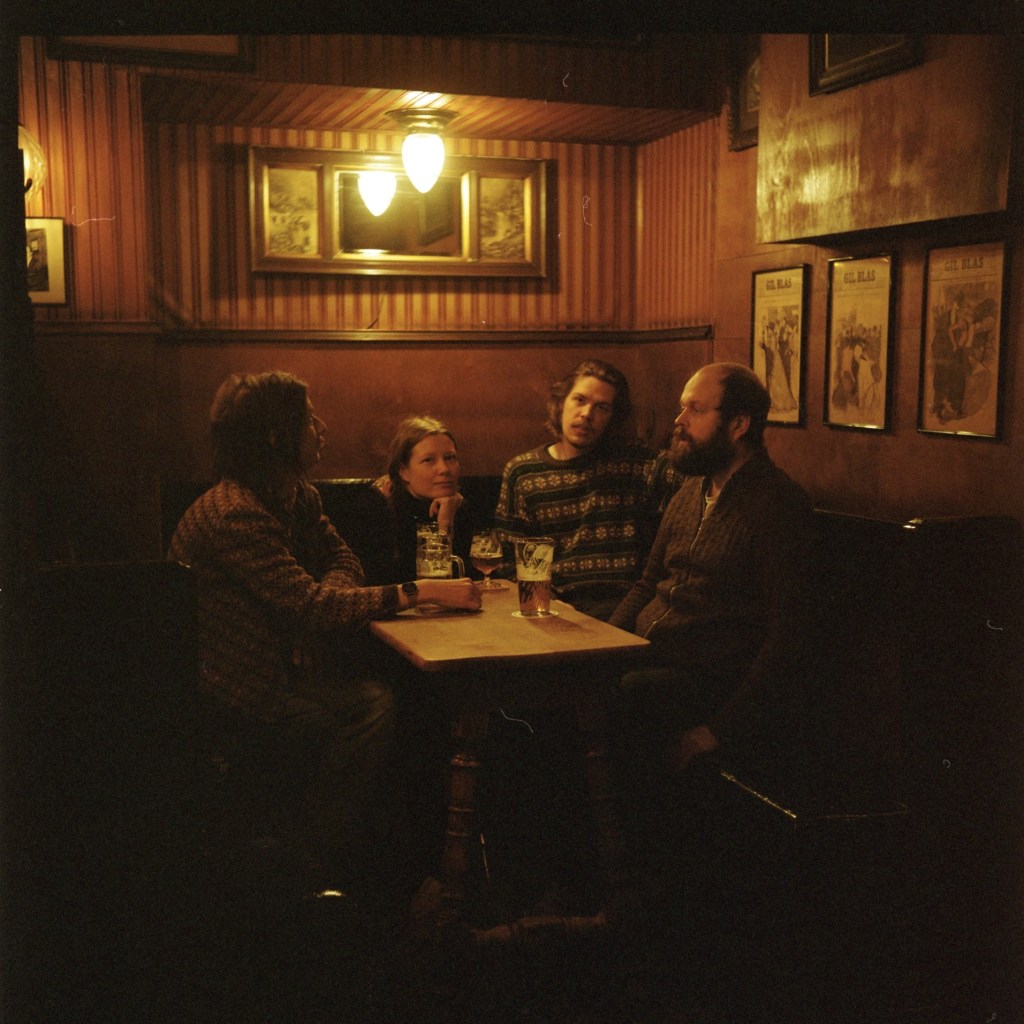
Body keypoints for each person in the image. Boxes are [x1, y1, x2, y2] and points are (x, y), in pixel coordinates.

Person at [168, 372, 480, 882]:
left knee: (380, 699)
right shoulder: (235, 514)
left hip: (282, 665)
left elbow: (341, 565)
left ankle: (334, 851)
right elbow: (313, 605)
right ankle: (308, 858)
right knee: (363, 710)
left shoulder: (296, 495)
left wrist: (311, 619)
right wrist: (419, 591)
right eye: (309, 420)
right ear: (277, 437)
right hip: (234, 689)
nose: (322, 428)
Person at [606, 362, 815, 897]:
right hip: (653, 658)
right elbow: (646, 583)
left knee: (624, 696)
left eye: (695, 410)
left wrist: (718, 731)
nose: (679, 421)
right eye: (682, 407)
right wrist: (598, 646)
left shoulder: (776, 504)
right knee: (568, 689)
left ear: (738, 424)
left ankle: (628, 885)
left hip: (708, 680)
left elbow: (789, 636)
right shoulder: (690, 490)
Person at [493, 358, 680, 620]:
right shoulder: (524, 472)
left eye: (602, 407)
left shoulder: (637, 464)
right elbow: (508, 564)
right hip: (554, 607)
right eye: (579, 400)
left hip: (625, 605)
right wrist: (550, 606)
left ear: (613, 417)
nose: (586, 414)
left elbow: (692, 478)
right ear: (561, 403)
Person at [373, 414, 474, 583]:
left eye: (450, 458)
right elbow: (403, 580)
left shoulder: (456, 505)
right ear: (404, 472)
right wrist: (443, 529)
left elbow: (470, 578)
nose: (444, 469)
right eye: (428, 460)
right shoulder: (380, 508)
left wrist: (446, 522)